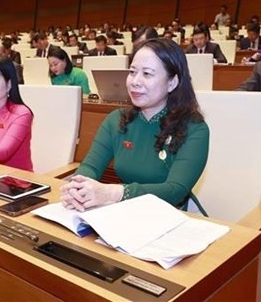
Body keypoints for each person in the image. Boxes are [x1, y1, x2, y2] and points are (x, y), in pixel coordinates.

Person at [60, 38, 209, 214]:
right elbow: (91, 167)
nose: (135, 81)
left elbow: (174, 191)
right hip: (123, 211)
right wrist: (78, 186)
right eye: (132, 72)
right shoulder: (116, 120)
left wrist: (112, 192)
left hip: (171, 215)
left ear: (172, 82)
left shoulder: (195, 128)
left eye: (147, 74)